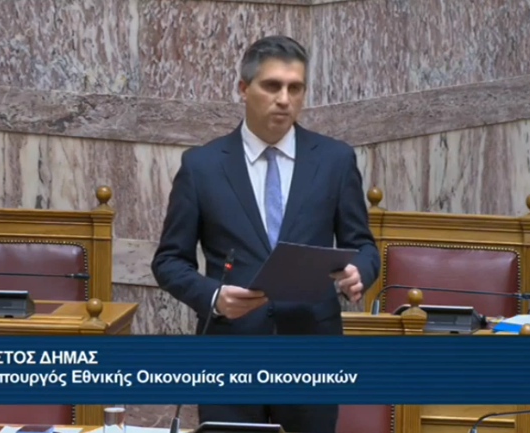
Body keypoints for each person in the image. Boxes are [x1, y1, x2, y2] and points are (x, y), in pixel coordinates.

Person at [151, 35, 380, 432]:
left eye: (295, 88)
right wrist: (214, 297)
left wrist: (360, 271)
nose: (284, 99)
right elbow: (169, 261)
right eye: (272, 86)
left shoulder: (335, 160)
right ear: (244, 88)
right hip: (230, 352)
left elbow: (362, 244)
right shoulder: (201, 166)